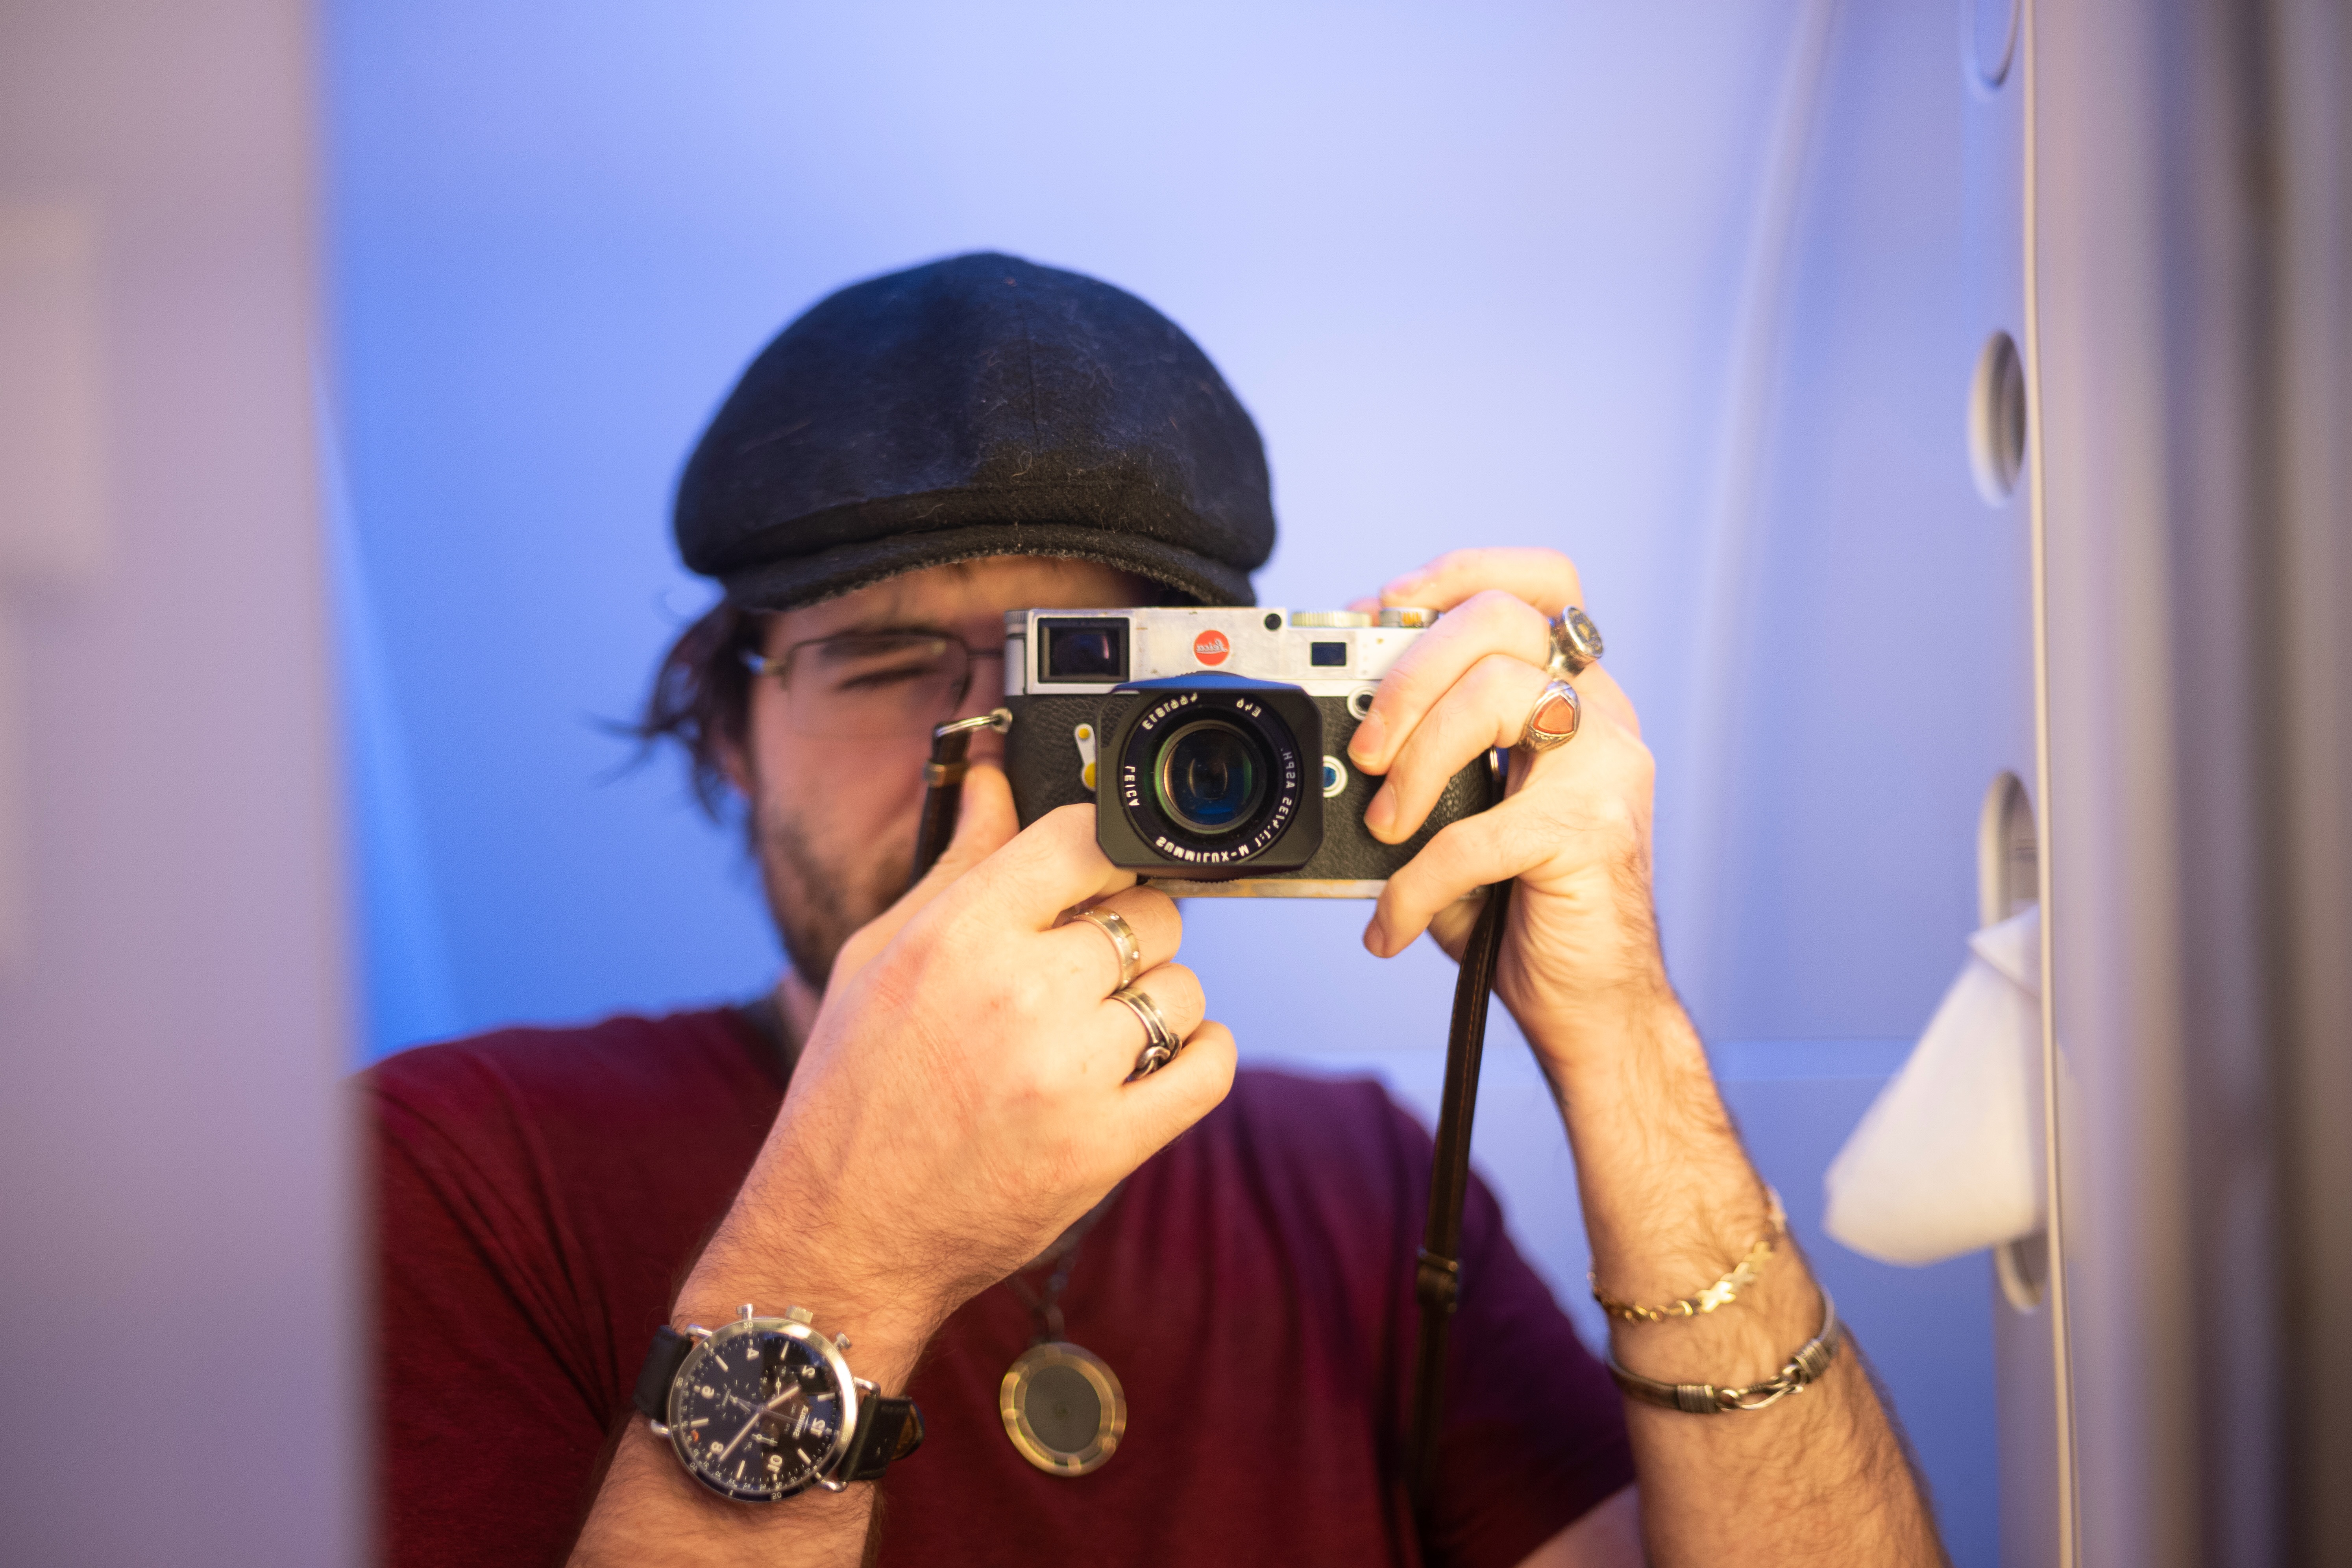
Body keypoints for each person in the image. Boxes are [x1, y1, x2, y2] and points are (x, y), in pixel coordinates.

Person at [368, 252, 1946, 1567]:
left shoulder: (1364, 1184)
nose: (981, 745)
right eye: (882, 661)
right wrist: (846, 1257)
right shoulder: (456, 1171)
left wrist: (1622, 1040)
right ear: (728, 730)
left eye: (1079, 679)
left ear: (1247, 722)